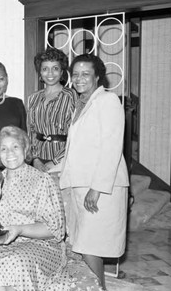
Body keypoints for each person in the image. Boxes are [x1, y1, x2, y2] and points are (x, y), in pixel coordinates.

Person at [0, 126, 68, 291]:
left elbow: (55, 229)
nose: (10, 153)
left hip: (40, 245)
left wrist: (19, 229)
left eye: (15, 146)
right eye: (4, 149)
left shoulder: (42, 180)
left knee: (17, 263)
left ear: (25, 148)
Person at [60, 54, 129, 289]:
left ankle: (98, 288)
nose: (79, 79)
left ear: (97, 77)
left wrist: (96, 189)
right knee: (85, 245)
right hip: (81, 186)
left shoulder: (108, 101)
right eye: (76, 74)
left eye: (85, 74)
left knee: (90, 246)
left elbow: (111, 147)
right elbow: (79, 150)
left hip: (100, 188)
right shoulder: (81, 104)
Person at [27, 48, 77, 173]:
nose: (50, 73)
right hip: (37, 161)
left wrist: (54, 162)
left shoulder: (71, 96)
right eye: (45, 69)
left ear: (61, 72)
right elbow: (31, 133)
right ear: (40, 72)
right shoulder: (33, 98)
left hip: (63, 161)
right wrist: (35, 159)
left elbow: (76, 136)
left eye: (55, 68)